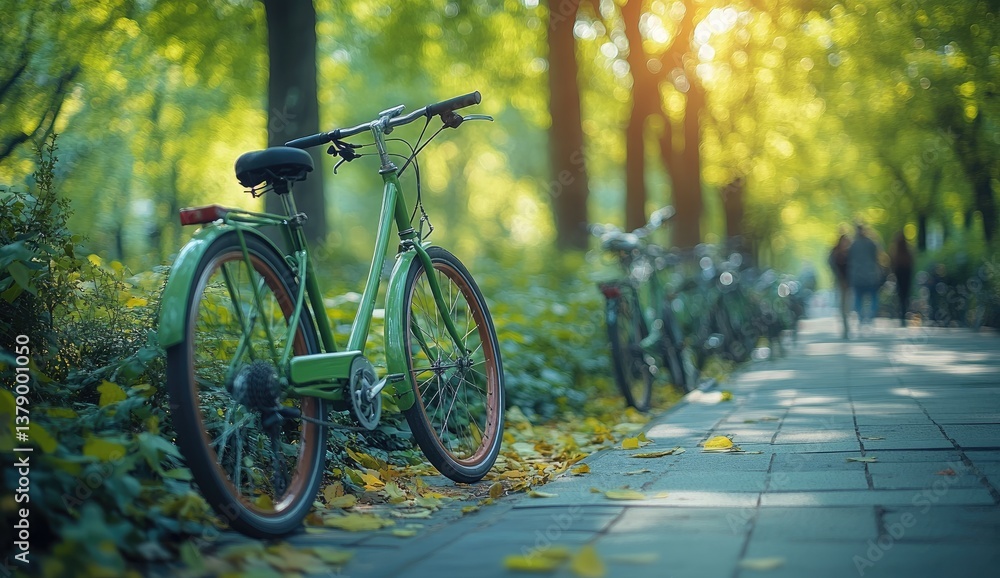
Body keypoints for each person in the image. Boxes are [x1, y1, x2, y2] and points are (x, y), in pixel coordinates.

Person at [847, 224, 882, 328]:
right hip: (870, 275)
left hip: (857, 276)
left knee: (858, 298)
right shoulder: (871, 243)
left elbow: (849, 260)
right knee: (873, 297)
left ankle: (861, 317)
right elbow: (877, 255)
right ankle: (870, 315)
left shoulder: (853, 245)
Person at [828, 233, 851, 339]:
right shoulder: (835, 253)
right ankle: (845, 327)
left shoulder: (851, 252)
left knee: (848, 305)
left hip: (850, 282)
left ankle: (848, 326)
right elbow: (830, 263)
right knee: (842, 306)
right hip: (840, 282)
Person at [889, 232, 914, 326]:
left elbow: (892, 263)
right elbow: (912, 262)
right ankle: (905, 313)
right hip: (907, 275)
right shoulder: (908, 249)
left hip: (899, 274)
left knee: (900, 296)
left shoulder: (895, 251)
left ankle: (901, 314)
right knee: (906, 295)